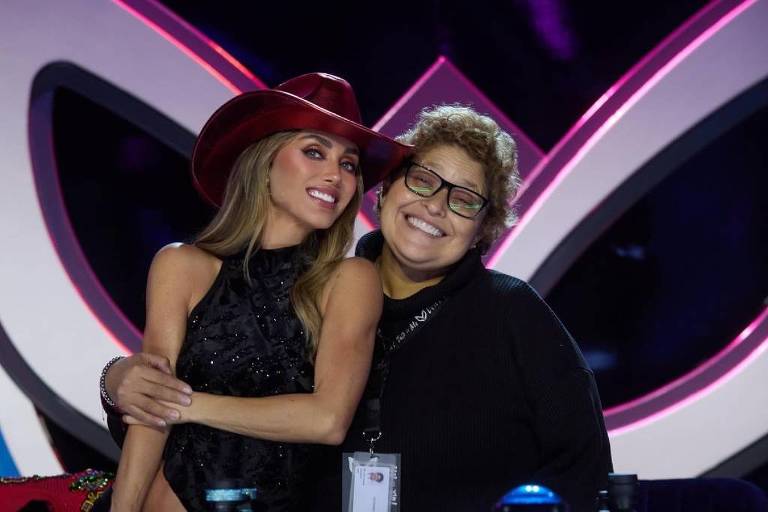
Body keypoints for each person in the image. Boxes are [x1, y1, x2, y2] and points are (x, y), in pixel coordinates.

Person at [102, 105, 612, 511]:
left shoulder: (511, 313)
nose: (436, 206)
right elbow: (211, 417)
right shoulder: (313, 292)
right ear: (386, 189)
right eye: (423, 180)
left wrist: (177, 402)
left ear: (485, 227)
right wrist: (116, 380)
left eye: (464, 200)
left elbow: (584, 466)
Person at [104, 72, 411, 511]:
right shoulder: (180, 265)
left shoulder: (351, 280)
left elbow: (327, 420)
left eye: (348, 163)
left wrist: (186, 405)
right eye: (313, 152)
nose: (334, 175)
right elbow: (150, 416)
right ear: (265, 163)